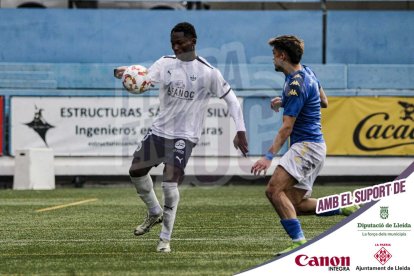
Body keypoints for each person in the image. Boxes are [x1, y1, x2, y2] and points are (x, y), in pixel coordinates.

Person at [114, 22, 248, 253]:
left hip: (184, 136)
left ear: (193, 41)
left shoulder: (208, 72)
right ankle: (154, 211)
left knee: (169, 182)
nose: (176, 47)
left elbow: (231, 100)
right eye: (173, 43)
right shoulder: (165, 63)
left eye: (180, 42)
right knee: (136, 171)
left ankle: (165, 239)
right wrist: (127, 73)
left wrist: (241, 130)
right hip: (159, 132)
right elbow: (144, 79)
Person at [251, 35, 358, 256]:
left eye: (274, 55)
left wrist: (267, 157)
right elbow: (324, 101)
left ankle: (299, 242)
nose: (272, 59)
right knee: (296, 205)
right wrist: (286, 100)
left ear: (282, 56)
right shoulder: (307, 72)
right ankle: (343, 206)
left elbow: (286, 129)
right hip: (315, 147)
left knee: (273, 190)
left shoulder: (294, 84)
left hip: (305, 147)